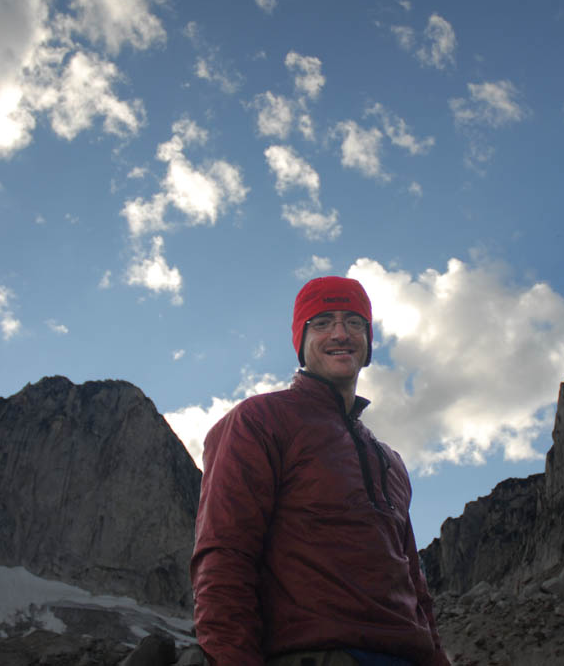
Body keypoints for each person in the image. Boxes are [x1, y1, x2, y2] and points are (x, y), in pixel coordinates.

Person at [191, 276, 450, 666]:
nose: (341, 334)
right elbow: (224, 554)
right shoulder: (259, 421)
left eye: (355, 322)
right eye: (323, 321)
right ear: (301, 339)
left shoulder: (390, 461)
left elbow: (415, 584)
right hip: (318, 654)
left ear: (368, 341)